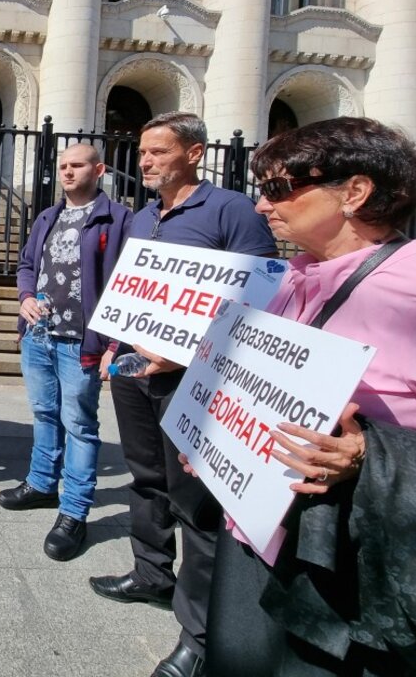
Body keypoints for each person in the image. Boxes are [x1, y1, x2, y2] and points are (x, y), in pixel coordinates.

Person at [202, 117, 416, 677]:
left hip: (344, 568)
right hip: (253, 536)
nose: (261, 206)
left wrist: (365, 457)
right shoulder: (291, 277)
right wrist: (211, 433)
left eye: (279, 189)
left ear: (354, 192)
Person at [87, 112, 277, 677]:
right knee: (144, 477)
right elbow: (134, 287)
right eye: (141, 152)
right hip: (133, 369)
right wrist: (113, 343)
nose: (144, 161)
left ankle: (198, 632)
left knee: (193, 499)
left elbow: (260, 293)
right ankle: (150, 573)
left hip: (196, 377)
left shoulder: (231, 210)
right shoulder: (143, 216)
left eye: (157, 152)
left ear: (193, 152)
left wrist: (186, 352)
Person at [0, 143, 133, 560]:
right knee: (43, 413)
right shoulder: (47, 216)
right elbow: (25, 264)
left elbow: (128, 281)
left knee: (79, 424)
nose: (68, 173)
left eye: (77, 166)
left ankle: (74, 510)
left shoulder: (118, 218)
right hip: (39, 334)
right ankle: (41, 483)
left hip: (81, 342)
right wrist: (24, 298)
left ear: (99, 169)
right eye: (63, 167)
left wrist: (116, 343)